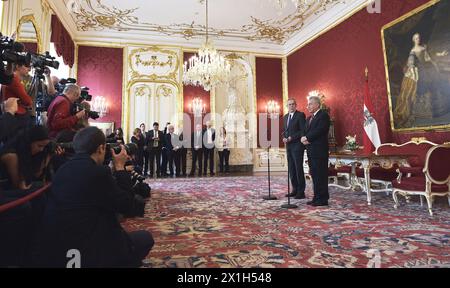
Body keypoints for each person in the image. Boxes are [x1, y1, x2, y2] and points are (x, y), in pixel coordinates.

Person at [35, 126, 154, 267]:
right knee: (145, 239)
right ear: (100, 149)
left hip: (57, 249)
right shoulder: (99, 173)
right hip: (85, 250)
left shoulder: (63, 169)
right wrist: (120, 169)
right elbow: (128, 206)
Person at [394, 33, 448, 128]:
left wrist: (440, 54)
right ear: (414, 40)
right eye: (416, 38)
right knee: (420, 88)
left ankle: (437, 107)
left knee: (436, 83)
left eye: (418, 38)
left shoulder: (423, 48)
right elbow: (410, 61)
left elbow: (429, 57)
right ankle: (422, 110)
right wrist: (411, 67)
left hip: (429, 67)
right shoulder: (413, 50)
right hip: (420, 70)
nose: (417, 39)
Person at [301, 95, 330, 207]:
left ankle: (323, 199)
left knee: (321, 175)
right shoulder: (309, 118)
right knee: (314, 175)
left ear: (317, 104)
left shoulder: (323, 115)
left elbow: (320, 130)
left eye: (310, 104)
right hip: (311, 151)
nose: (308, 106)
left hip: (320, 151)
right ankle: (316, 197)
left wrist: (307, 138)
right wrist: (304, 138)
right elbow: (304, 130)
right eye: (308, 104)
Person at [283, 98, 306, 199]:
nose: (291, 106)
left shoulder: (300, 115)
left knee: (298, 168)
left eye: (293, 104)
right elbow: (284, 130)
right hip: (288, 146)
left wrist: (292, 137)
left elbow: (302, 131)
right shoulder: (285, 117)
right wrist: (283, 137)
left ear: (296, 105)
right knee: (291, 169)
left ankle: (301, 192)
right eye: (289, 105)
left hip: (297, 146)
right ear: (287, 106)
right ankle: (294, 189)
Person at [1, 57, 33, 128]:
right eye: (26, 66)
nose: (29, 69)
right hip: (17, 114)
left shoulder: (9, 78)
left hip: (10, 112)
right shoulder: (14, 79)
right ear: (18, 66)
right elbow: (28, 101)